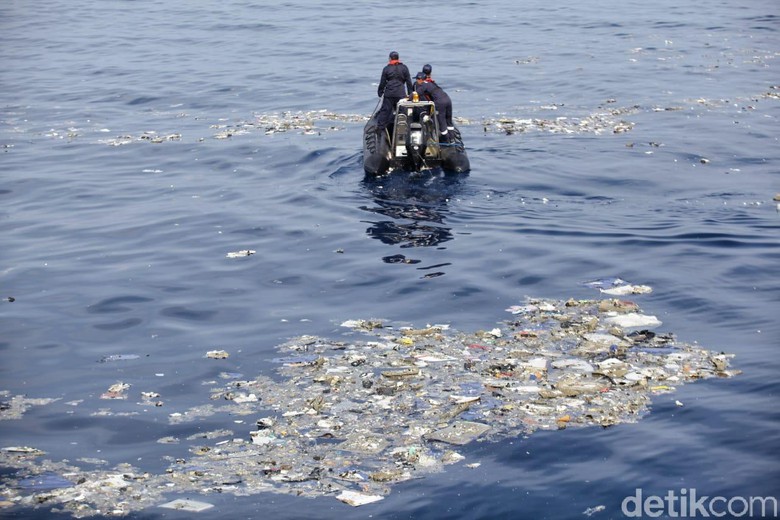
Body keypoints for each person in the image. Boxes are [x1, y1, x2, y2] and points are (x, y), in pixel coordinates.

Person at [376, 51, 413, 134]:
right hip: (401, 93)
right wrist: (410, 94)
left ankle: (380, 130)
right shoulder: (404, 68)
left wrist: (380, 92)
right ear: (398, 58)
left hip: (389, 93)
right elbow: (409, 82)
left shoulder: (386, 69)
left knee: (385, 111)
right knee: (402, 112)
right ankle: (404, 129)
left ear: (390, 59)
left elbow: (382, 82)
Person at [413, 71, 455, 142]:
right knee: (449, 120)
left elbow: (417, 93)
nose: (416, 81)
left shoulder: (424, 85)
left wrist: (407, 98)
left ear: (420, 79)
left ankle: (446, 140)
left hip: (440, 102)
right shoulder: (432, 84)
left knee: (441, 121)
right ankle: (452, 138)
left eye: (417, 79)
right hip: (447, 99)